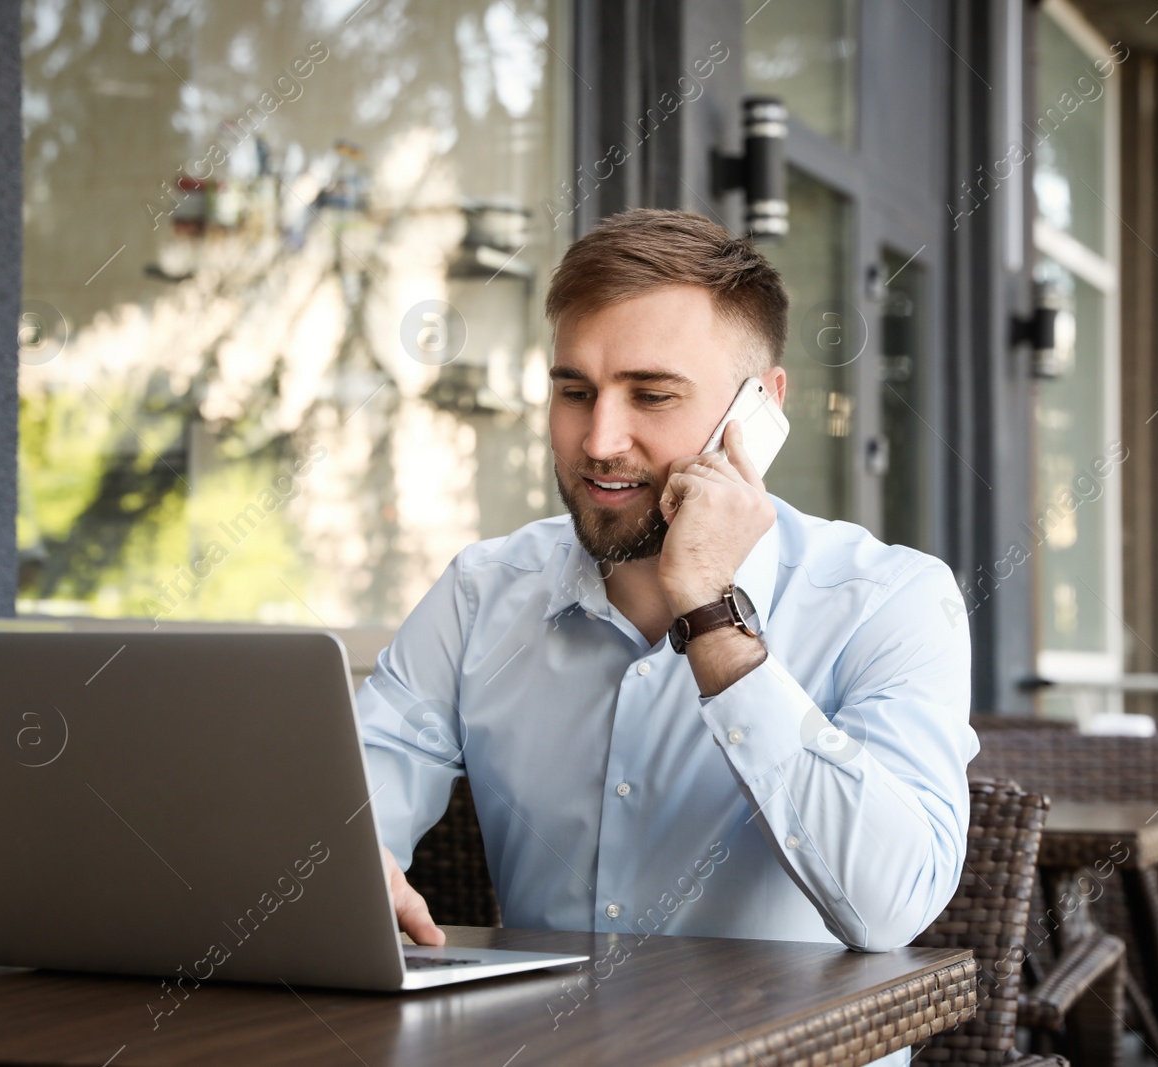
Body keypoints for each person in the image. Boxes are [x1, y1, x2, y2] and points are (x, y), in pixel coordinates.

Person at [356, 207, 977, 981]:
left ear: (760, 409)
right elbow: (351, 806)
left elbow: (891, 904)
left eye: (651, 396)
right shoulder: (482, 594)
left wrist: (712, 615)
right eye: (575, 390)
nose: (599, 440)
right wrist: (348, 867)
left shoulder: (891, 600)